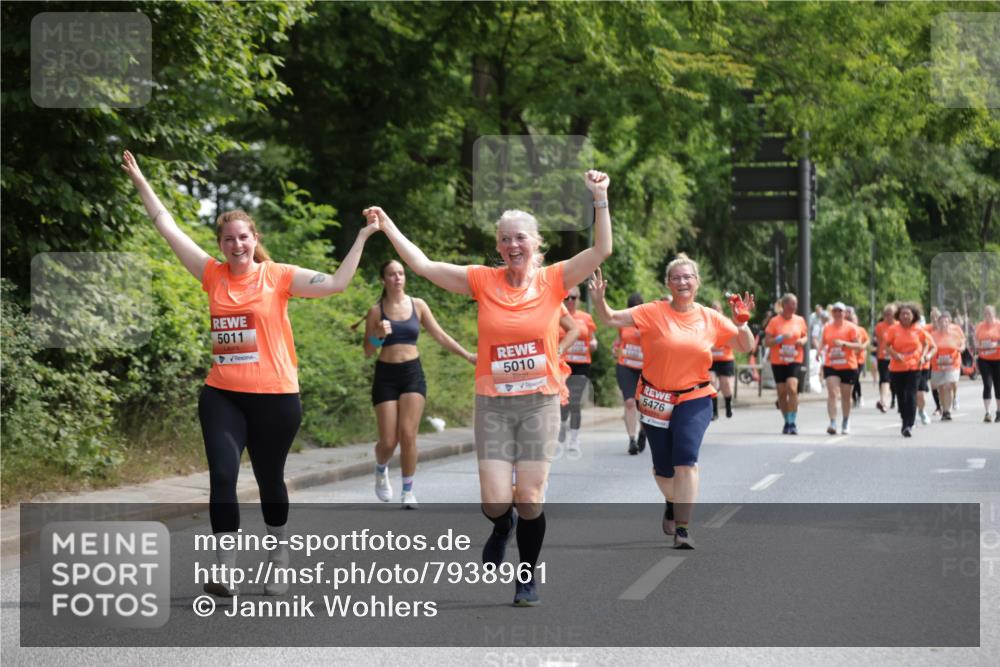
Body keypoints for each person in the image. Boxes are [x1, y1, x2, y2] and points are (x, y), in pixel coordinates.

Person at [122, 150, 377, 597]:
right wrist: (142, 182)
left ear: (253, 238)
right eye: (228, 240)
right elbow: (167, 226)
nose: (236, 245)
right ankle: (224, 569)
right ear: (220, 244)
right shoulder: (211, 274)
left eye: (243, 238)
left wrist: (362, 237)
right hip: (223, 395)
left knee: (269, 480)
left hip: (276, 397)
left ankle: (277, 557)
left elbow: (336, 284)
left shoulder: (278, 276)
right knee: (222, 475)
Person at [364, 169, 612, 606]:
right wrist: (387, 227)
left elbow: (602, 248)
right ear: (498, 246)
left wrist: (599, 198)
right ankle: (502, 527)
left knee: (530, 496)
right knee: (497, 501)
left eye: (521, 238)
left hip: (539, 402)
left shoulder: (554, 279)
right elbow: (422, 265)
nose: (513, 246)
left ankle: (527, 576)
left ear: (536, 243)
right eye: (505, 239)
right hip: (494, 405)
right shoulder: (483, 280)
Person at [591, 257, 755, 550]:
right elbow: (611, 319)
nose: (682, 282)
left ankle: (683, 528)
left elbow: (745, 346)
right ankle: (672, 500)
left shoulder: (710, 318)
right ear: (668, 283)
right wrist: (599, 301)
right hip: (655, 397)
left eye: (688, 277)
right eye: (676, 278)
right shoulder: (652, 311)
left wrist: (742, 324)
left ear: (697, 282)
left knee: (686, 459)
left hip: (695, 396)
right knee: (663, 470)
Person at [365, 260, 476, 509]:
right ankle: (381, 469)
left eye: (401, 273)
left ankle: (408, 491)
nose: (397, 278)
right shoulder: (376, 311)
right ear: (384, 280)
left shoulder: (418, 305)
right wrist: (378, 335)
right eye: (392, 274)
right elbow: (368, 350)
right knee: (388, 441)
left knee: (408, 434)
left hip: (412, 373)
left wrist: (468, 355)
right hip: (386, 375)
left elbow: (440, 335)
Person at [885, 302, 937, 437]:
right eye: (902, 314)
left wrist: (925, 356)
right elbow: (886, 345)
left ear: (914, 315)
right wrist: (895, 354)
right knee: (901, 397)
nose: (905, 316)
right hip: (897, 368)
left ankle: (908, 424)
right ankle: (905, 419)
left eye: (908, 313)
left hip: (914, 367)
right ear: (899, 316)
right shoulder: (893, 329)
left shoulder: (919, 330)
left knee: (911, 394)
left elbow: (930, 345)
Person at [558, 284, 598, 453]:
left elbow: (592, 339)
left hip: (581, 364)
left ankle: (574, 438)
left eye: (573, 298)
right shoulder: (557, 316)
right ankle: (562, 430)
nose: (570, 301)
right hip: (562, 364)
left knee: (574, 401)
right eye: (567, 298)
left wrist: (594, 344)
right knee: (563, 402)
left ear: (579, 299)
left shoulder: (585, 318)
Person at [763, 293, 808, 435]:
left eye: (795, 304)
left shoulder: (800, 320)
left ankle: (793, 421)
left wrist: (802, 341)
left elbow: (805, 336)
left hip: (795, 358)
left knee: (792, 388)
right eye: (791, 304)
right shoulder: (774, 321)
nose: (794, 307)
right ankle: (787, 421)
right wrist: (780, 338)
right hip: (778, 360)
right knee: (782, 393)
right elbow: (766, 342)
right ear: (784, 305)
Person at [819, 302, 864, 435]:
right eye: (835, 311)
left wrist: (844, 344)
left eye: (840, 311)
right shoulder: (827, 327)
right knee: (832, 393)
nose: (838, 314)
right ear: (832, 313)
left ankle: (845, 420)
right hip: (831, 364)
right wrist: (819, 351)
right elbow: (823, 341)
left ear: (845, 313)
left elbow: (859, 346)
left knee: (846, 396)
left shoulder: (851, 328)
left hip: (848, 365)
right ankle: (832, 422)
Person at [611, 293, 646, 454]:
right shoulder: (624, 323)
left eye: (638, 307)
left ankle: (643, 431)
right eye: (632, 307)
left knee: (644, 405)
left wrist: (646, 336)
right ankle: (632, 440)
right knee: (630, 402)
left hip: (645, 368)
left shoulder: (649, 323)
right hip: (625, 366)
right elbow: (619, 340)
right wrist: (615, 347)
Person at [929, 310, 965, 421]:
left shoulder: (955, 333)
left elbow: (962, 344)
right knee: (940, 388)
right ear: (938, 324)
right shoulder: (933, 335)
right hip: (937, 365)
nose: (944, 324)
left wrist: (961, 348)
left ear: (949, 323)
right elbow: (929, 347)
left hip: (952, 364)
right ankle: (944, 409)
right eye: (941, 322)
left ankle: (947, 411)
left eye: (946, 322)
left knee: (947, 386)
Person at [709, 301, 736, 420]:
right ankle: (714, 411)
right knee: (712, 383)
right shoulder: (707, 323)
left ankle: (728, 404)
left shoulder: (727, 323)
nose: (715, 311)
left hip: (725, 358)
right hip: (710, 359)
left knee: (725, 384)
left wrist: (719, 344)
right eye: (713, 309)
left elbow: (734, 339)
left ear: (721, 311)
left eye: (717, 309)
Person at [975, 305, 1000, 422]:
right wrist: (980, 346)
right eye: (985, 313)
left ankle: (999, 411)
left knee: (998, 386)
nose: (987, 315)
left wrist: (996, 345)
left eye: (989, 313)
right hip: (984, 359)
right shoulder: (980, 326)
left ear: (994, 314)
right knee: (987, 384)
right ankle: (987, 412)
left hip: (998, 359)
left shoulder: (999, 325)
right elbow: (975, 342)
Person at [874, 303, 898, 413]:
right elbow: (879, 342)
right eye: (887, 314)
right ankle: (883, 401)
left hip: (896, 358)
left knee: (894, 381)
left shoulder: (899, 326)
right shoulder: (880, 326)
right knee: (884, 379)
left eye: (891, 314)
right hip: (883, 357)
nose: (889, 316)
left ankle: (894, 398)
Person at [845, 307, 869, 409]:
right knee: (852, 379)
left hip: (859, 359)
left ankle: (859, 396)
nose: (852, 322)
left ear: (857, 321)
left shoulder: (861, 330)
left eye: (853, 320)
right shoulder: (846, 330)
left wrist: (862, 346)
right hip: (849, 359)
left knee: (855, 378)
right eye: (850, 320)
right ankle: (854, 397)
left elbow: (867, 340)